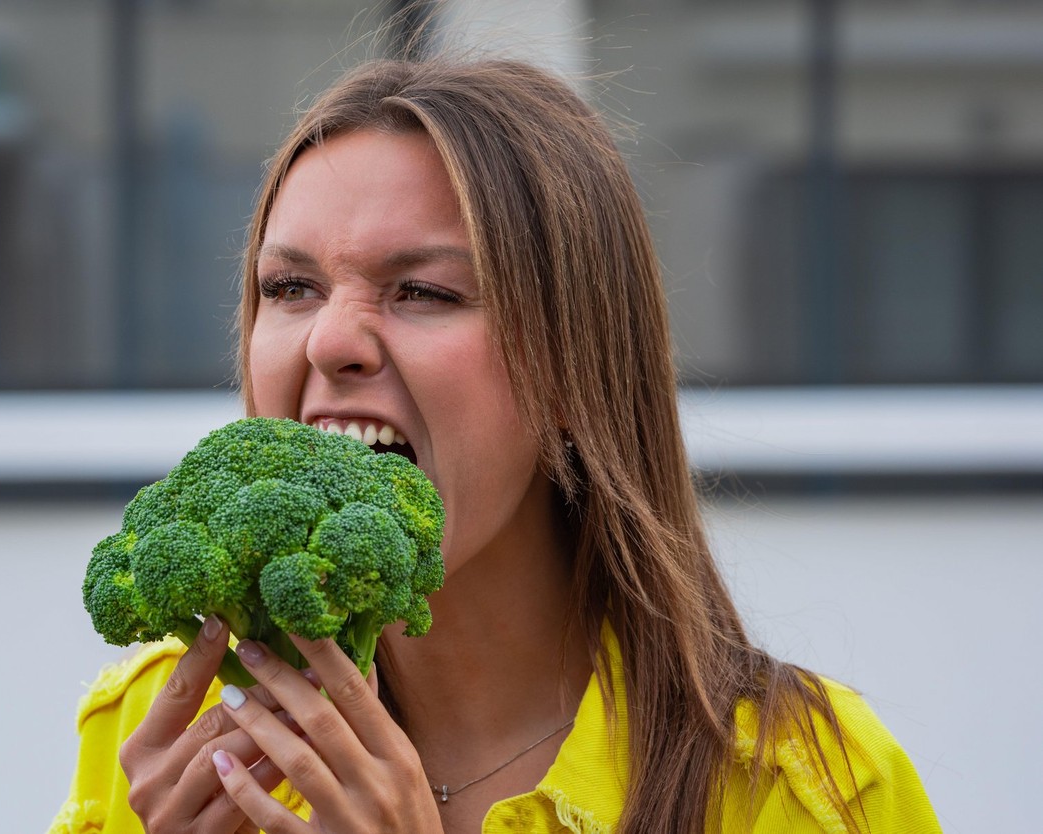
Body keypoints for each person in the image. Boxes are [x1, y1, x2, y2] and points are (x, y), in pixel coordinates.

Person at [49, 55, 941, 834]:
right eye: (289, 286)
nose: (329, 340)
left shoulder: (805, 790)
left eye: (424, 293)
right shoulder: (154, 737)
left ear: (571, 365)